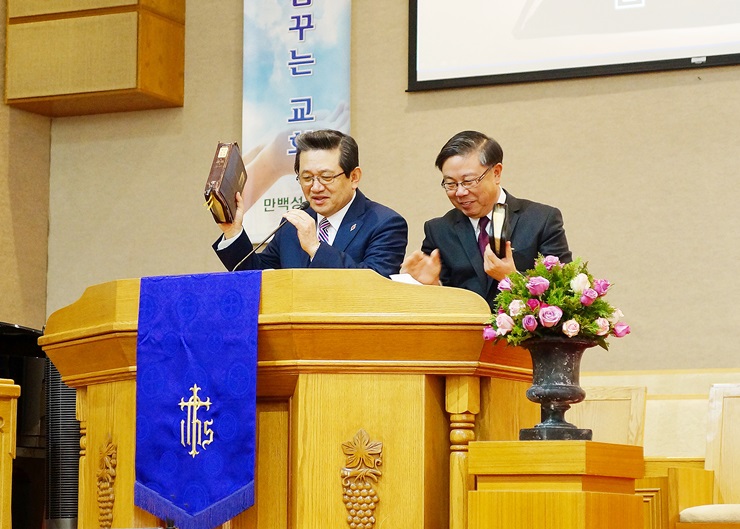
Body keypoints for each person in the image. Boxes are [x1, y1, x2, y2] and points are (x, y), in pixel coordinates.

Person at [401, 130, 571, 309]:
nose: (460, 192)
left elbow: (565, 292)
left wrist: (512, 278)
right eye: (450, 184)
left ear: (496, 173)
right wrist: (430, 287)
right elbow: (439, 303)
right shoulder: (439, 230)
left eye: (468, 181)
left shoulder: (541, 219)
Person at [213, 129, 408, 278]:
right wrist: (233, 231)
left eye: (326, 177)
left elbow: (375, 284)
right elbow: (258, 276)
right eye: (306, 178)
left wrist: (316, 248)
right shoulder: (291, 226)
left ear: (354, 177)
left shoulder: (385, 223)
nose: (315, 187)